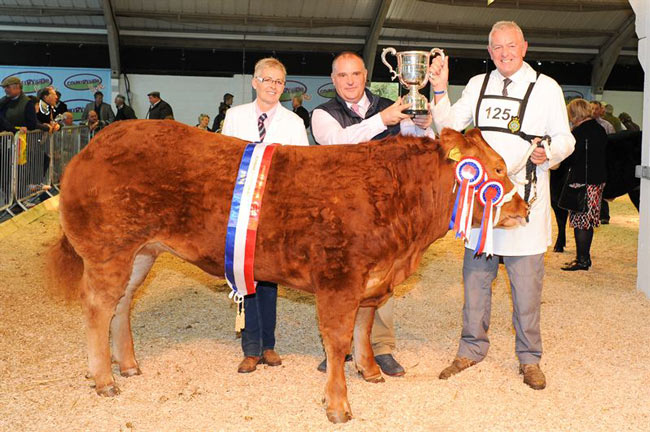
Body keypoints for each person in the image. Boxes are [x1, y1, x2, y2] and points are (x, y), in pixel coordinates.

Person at [428, 21, 575, 390]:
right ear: (489, 51)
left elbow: (565, 139)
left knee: (527, 290)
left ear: (523, 47)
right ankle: (470, 349)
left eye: (511, 46)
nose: (504, 53)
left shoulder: (547, 88)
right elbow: (447, 128)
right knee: (475, 284)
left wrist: (549, 153)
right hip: (480, 207)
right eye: (497, 48)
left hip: (523, 203)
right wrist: (441, 89)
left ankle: (529, 358)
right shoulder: (478, 85)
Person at [311, 51, 435, 377]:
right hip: (340, 211)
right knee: (341, 280)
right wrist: (383, 120)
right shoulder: (323, 114)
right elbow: (336, 143)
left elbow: (420, 146)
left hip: (386, 210)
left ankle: (381, 347)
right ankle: (340, 346)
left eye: (355, 74)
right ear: (333, 79)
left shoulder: (393, 105)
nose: (350, 81)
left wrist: (423, 125)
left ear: (365, 76)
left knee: (382, 279)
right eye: (342, 76)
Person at [222, 57, 309, 374]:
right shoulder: (234, 116)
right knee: (245, 276)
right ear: (254, 82)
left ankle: (269, 345)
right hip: (241, 210)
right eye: (267, 79)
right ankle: (250, 347)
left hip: (277, 212)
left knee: (270, 278)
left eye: (279, 82)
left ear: (284, 88)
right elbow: (225, 162)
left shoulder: (295, 123)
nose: (273, 86)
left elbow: (301, 170)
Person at [561, 98, 607, 271]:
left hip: (582, 182)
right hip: (596, 181)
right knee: (587, 221)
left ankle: (582, 260)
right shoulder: (599, 129)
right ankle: (583, 258)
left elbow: (572, 158)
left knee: (581, 222)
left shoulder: (578, 133)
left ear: (574, 114)